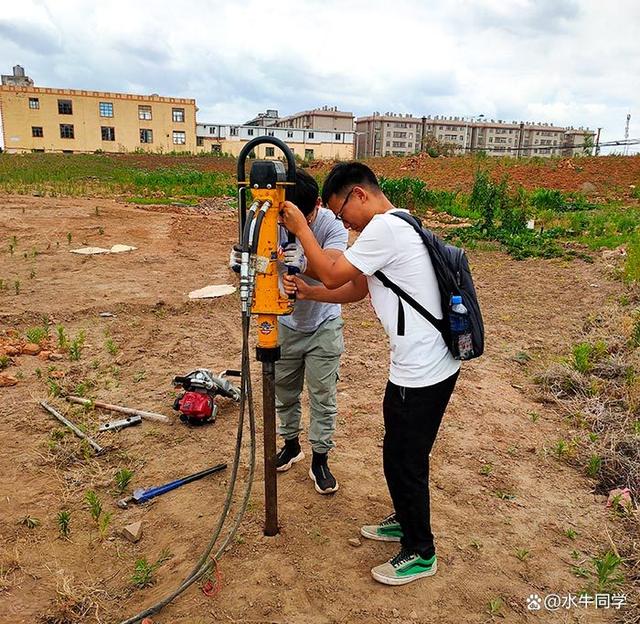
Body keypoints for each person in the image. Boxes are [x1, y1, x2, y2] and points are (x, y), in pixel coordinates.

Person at [280, 162, 460, 586]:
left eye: (343, 214)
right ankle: (404, 519)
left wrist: (300, 228)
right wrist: (311, 292)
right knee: (398, 451)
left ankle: (420, 550)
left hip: (424, 369)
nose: (344, 223)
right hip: (418, 363)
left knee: (405, 459)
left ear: (359, 195)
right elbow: (358, 288)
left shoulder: (384, 228)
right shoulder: (396, 226)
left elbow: (331, 269)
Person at [231, 169, 348, 494]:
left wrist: (307, 262)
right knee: (284, 390)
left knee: (323, 394)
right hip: (283, 323)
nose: (292, 225)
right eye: (286, 219)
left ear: (318, 206)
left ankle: (320, 458)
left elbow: (335, 271)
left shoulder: (331, 225)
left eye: (304, 217)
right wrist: (242, 261)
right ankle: (292, 444)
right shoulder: (267, 219)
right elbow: (254, 265)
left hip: (322, 323)